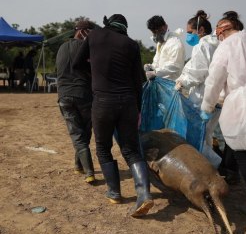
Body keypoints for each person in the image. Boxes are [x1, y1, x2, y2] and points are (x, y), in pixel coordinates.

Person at [73, 14, 154, 217]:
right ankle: (143, 194)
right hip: (127, 103)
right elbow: (139, 81)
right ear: (124, 28)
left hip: (102, 102)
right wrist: (137, 109)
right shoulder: (132, 44)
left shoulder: (94, 36)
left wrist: (95, 77)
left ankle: (114, 192)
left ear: (108, 24)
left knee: (103, 148)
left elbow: (76, 64)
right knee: (132, 151)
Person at [200, 11, 246, 188]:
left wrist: (207, 107)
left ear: (222, 30)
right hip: (241, 98)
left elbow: (215, 80)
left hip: (242, 104)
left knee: (243, 151)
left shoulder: (226, 46)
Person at [175, 10, 221, 168]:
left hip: (203, 98)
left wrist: (182, 83)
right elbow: (193, 68)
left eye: (190, 32)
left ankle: (213, 168)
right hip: (214, 98)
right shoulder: (215, 45)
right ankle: (213, 168)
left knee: (198, 137)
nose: (188, 36)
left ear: (200, 30)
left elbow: (197, 73)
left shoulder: (203, 45)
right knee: (207, 136)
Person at [56, 19, 96, 183]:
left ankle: (78, 165)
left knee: (77, 132)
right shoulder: (86, 48)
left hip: (64, 96)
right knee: (83, 133)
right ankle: (89, 172)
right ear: (83, 32)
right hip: (83, 95)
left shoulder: (61, 48)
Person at [144, 15, 185, 81]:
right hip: (161, 82)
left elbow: (175, 66)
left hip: (172, 84)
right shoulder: (160, 43)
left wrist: (155, 72)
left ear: (165, 26)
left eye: (159, 31)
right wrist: (151, 67)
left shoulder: (175, 43)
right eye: (154, 32)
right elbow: (157, 62)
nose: (156, 34)